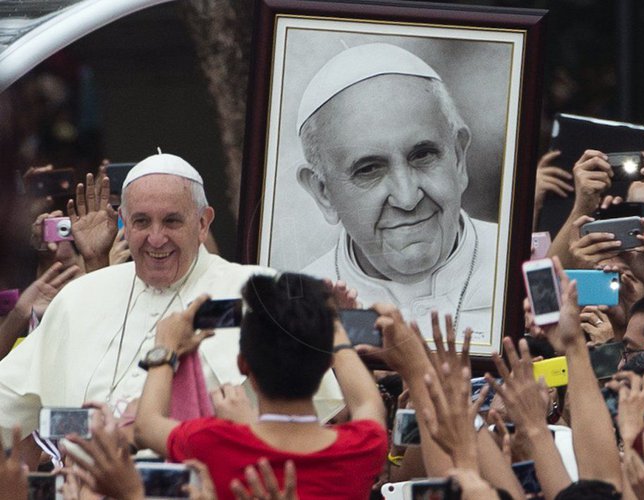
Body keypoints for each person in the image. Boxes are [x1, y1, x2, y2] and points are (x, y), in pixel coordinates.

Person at [0, 152, 342, 449]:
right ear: (124, 223)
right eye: (141, 221)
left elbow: (310, 423)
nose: (156, 238)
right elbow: (6, 403)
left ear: (203, 223)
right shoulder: (78, 297)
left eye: (171, 221)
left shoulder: (261, 293)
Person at [295, 43, 498, 341]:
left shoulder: (520, 266)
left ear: (458, 157)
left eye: (423, 155)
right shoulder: (293, 313)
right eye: (369, 169)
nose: (407, 198)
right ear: (323, 193)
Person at [133, 273, 387, 499]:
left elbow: (146, 426)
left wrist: (165, 347)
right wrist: (335, 328)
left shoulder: (211, 441)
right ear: (327, 364)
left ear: (243, 364)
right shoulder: (361, 447)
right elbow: (367, 402)